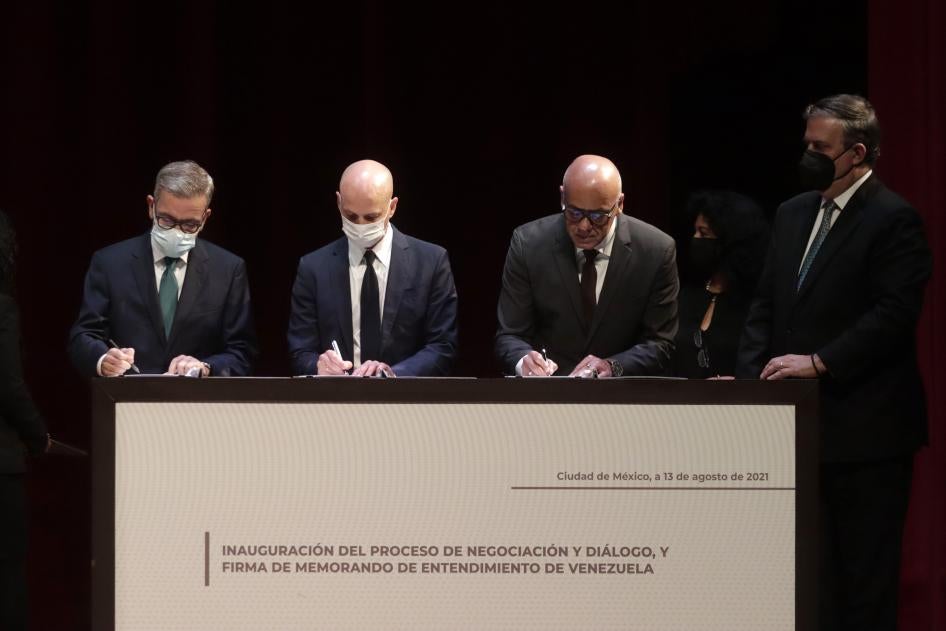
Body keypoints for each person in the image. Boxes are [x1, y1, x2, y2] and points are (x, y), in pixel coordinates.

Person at [736, 94, 932, 630]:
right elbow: (765, 305)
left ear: (858, 153)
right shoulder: (792, 213)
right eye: (807, 145)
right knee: (808, 583)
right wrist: (753, 383)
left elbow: (893, 316)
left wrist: (819, 362)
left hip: (866, 434)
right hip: (796, 433)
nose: (809, 157)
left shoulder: (893, 219)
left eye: (820, 148)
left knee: (863, 586)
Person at [495, 154, 678, 377]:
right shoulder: (528, 244)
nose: (583, 226)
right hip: (548, 392)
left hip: (622, 394)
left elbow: (660, 343)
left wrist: (613, 366)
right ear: (562, 196)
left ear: (619, 204)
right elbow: (510, 335)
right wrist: (524, 360)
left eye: (598, 216)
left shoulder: (656, 251)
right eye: (574, 213)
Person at [68, 160, 257, 377]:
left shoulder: (228, 269)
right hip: (127, 395)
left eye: (190, 224)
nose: (177, 232)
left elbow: (242, 351)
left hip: (196, 397)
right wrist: (104, 360)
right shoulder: (110, 263)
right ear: (151, 206)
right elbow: (83, 336)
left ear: (205, 217)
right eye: (166, 220)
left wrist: (205, 367)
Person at [287, 159, 458, 377]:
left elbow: (443, 346)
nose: (360, 226)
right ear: (339, 202)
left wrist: (391, 374)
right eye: (351, 216)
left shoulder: (430, 262)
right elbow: (300, 351)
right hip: (337, 395)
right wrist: (319, 366)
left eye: (371, 217)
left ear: (392, 207)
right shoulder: (313, 268)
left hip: (405, 396)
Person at [0, 210, 48, 631]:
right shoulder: (2, 306)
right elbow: (9, 385)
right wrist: (39, 437)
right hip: (1, 465)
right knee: (7, 577)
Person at [671, 190, 769, 378]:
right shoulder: (686, 295)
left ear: (729, 242)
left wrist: (741, 382)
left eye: (703, 233)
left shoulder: (756, 304)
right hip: (683, 396)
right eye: (695, 231)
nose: (696, 239)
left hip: (739, 397)